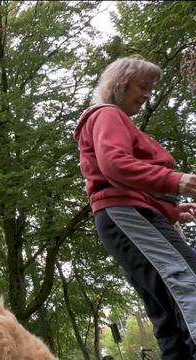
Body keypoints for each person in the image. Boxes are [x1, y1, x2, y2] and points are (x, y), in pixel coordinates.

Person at [74, 55, 196, 359]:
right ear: (120, 84)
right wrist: (176, 181)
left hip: (132, 214)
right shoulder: (108, 115)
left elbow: (128, 183)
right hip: (126, 214)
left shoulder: (116, 121)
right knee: (185, 278)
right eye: (142, 87)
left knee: (165, 312)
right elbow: (114, 165)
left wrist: (172, 211)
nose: (147, 96)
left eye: (151, 90)